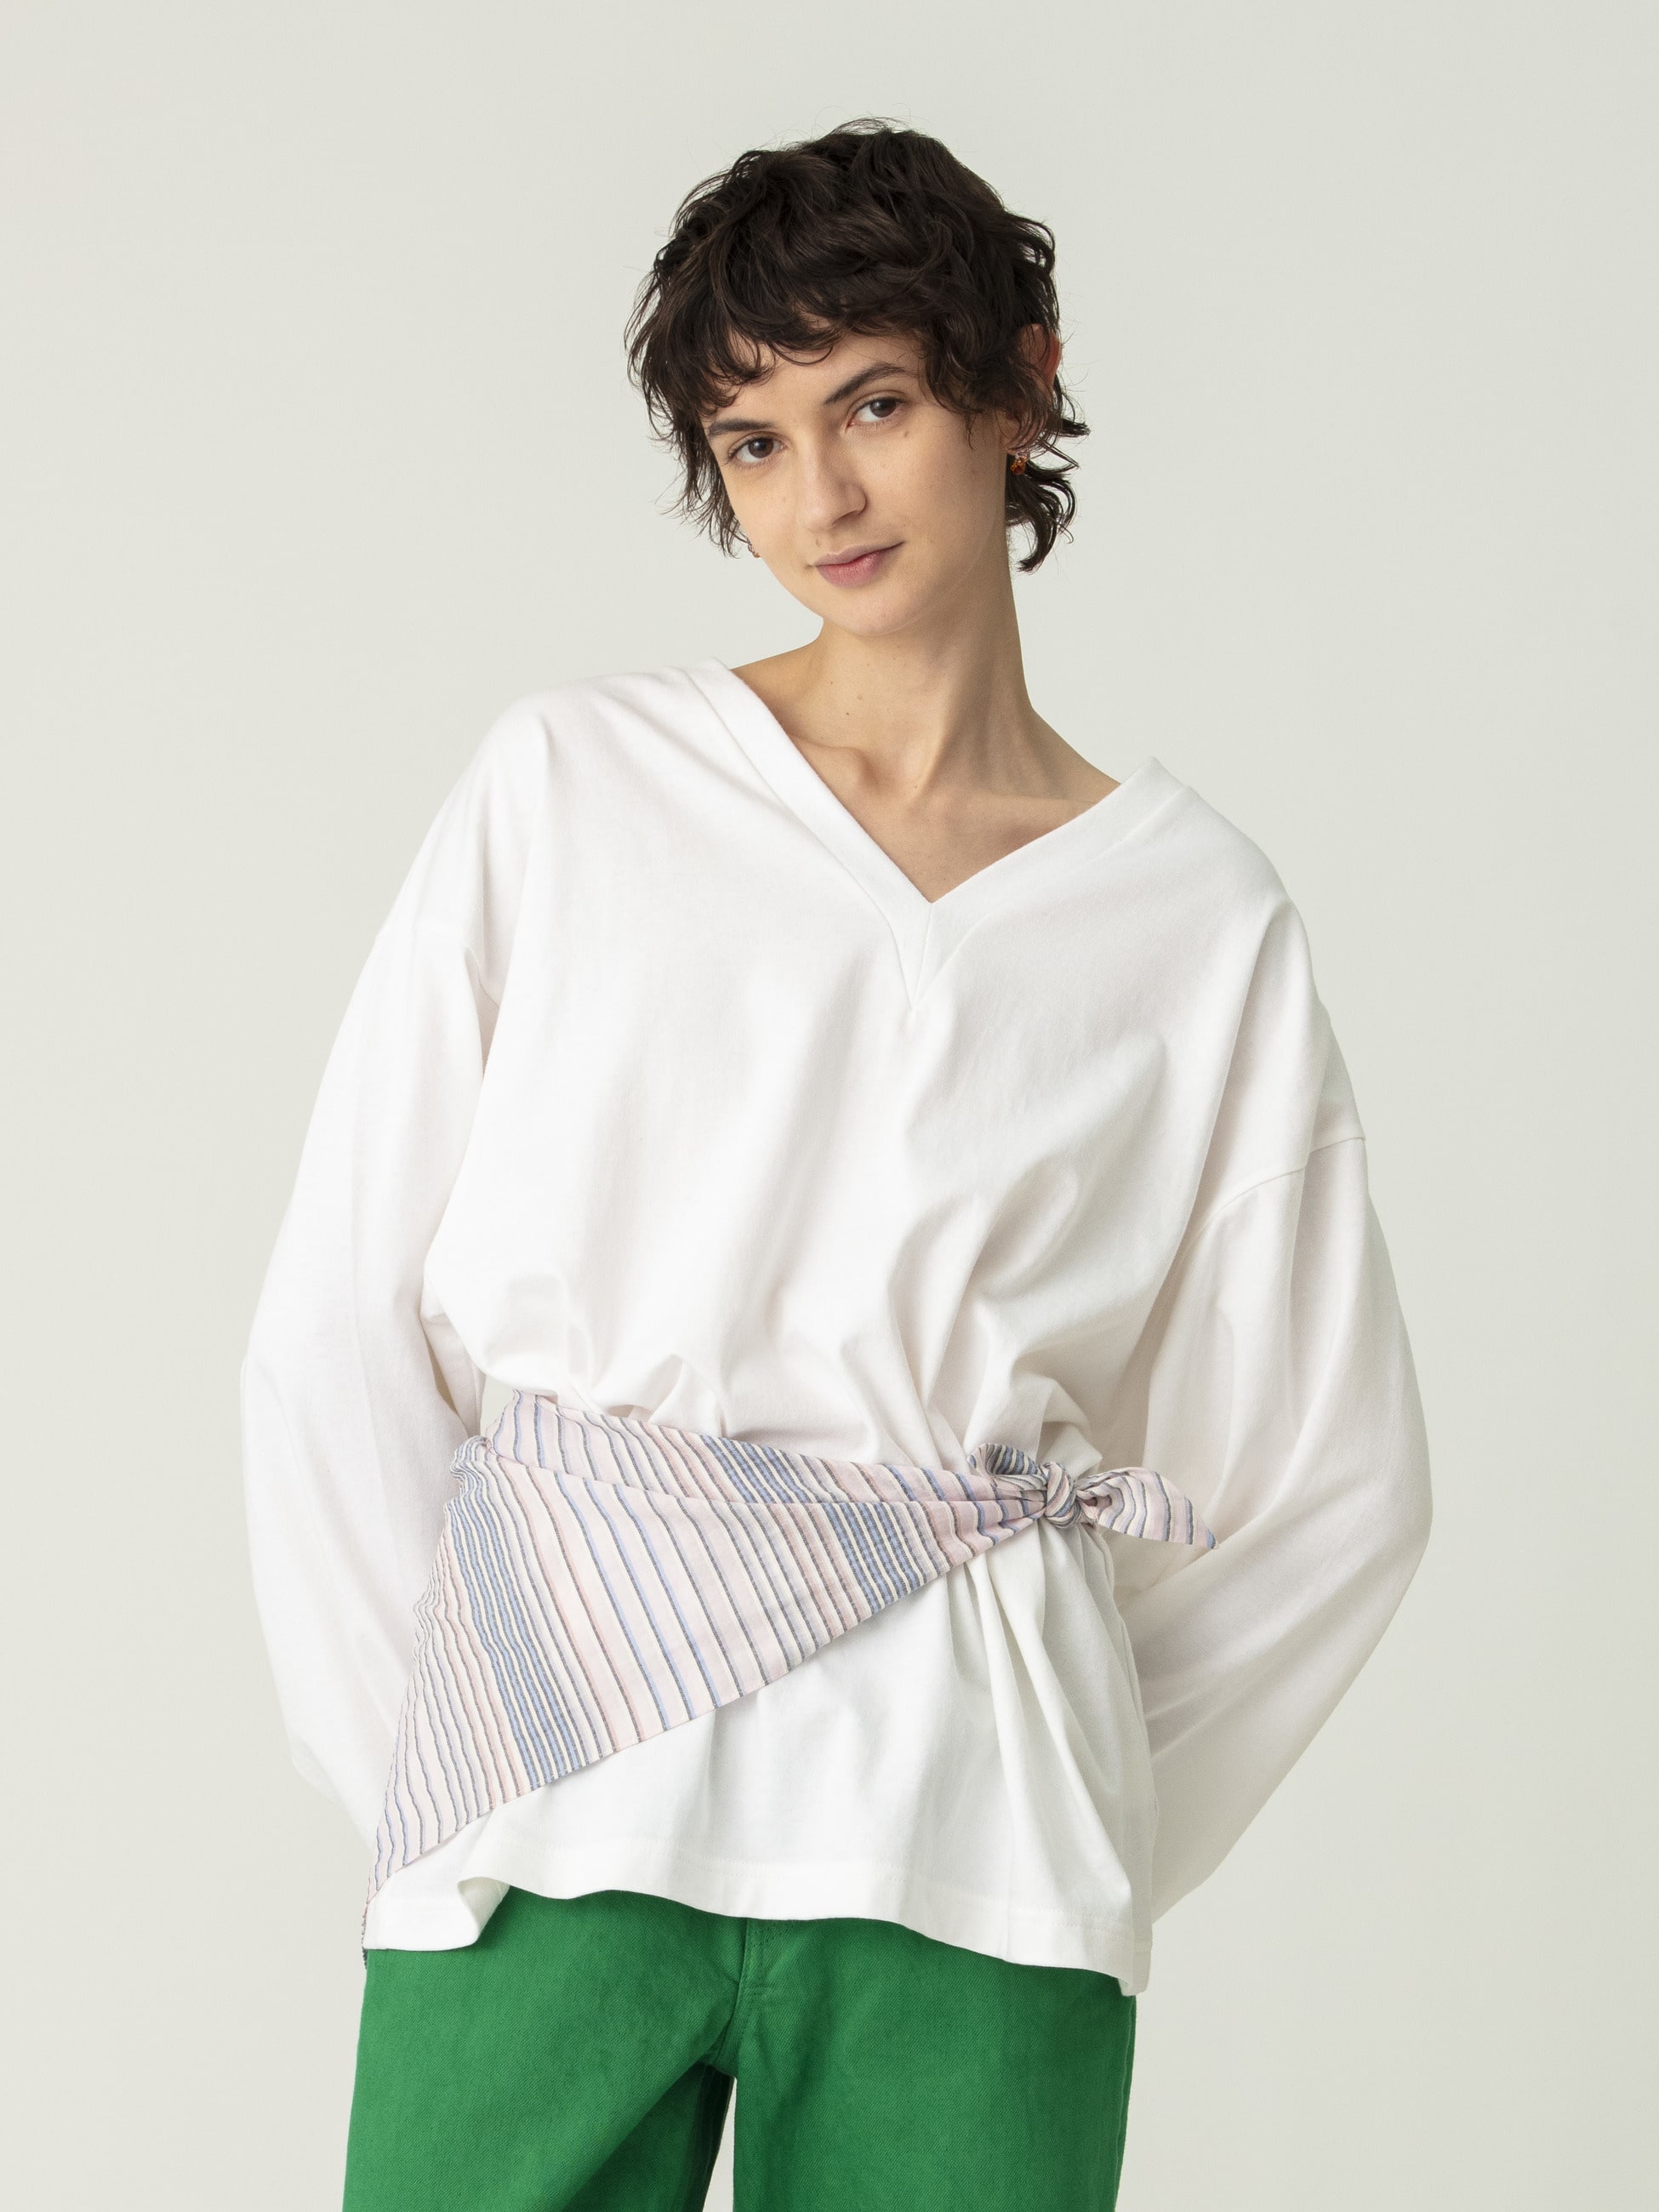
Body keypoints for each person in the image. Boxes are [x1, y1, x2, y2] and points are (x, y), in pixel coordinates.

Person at [242, 119, 1432, 2212]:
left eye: (873, 404)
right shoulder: (576, 788)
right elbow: (339, 1325)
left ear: (1020, 386)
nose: (822, 498)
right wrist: (439, 1758)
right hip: (560, 1806)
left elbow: (1330, 1480)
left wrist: (1070, 1786)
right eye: (757, 441)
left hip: (971, 1857)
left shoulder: (1194, 920)